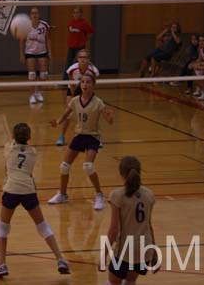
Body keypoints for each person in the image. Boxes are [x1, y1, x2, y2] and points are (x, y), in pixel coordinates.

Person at [0, 123, 70, 278]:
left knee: (2, 227)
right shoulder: (33, 153)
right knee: (42, 226)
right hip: (28, 190)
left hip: (12, 190)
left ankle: (2, 264)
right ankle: (60, 259)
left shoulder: (8, 149)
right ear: (29, 138)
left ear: (13, 136)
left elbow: (8, 156)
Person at [48, 74, 114, 210]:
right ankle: (63, 194)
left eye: (88, 82)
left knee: (88, 166)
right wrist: (58, 122)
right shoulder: (75, 100)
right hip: (79, 136)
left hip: (92, 137)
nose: (84, 84)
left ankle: (99, 195)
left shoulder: (98, 102)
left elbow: (109, 121)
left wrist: (110, 117)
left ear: (93, 85)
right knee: (64, 166)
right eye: (82, 82)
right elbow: (66, 113)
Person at [101, 156, 159, 285]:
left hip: (125, 250)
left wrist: (103, 255)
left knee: (112, 283)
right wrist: (154, 252)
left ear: (121, 173)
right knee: (130, 281)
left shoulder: (117, 195)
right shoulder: (149, 194)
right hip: (144, 249)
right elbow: (148, 226)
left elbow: (113, 231)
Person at [56, 49, 99, 146]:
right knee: (68, 113)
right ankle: (61, 136)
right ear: (77, 59)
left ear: (89, 59)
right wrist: (76, 98)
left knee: (92, 113)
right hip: (73, 91)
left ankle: (95, 137)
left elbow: (93, 85)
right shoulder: (72, 69)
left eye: (85, 57)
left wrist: (87, 96)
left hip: (87, 92)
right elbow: (71, 85)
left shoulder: (93, 71)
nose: (83, 60)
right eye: (80, 57)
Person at [19, 7, 51, 104]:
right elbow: (22, 41)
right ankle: (32, 95)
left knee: (43, 74)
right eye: (32, 13)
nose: (34, 15)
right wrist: (22, 54)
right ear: (30, 15)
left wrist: (50, 52)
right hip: (30, 52)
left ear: (39, 14)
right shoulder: (26, 26)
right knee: (32, 74)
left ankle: (38, 92)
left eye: (36, 13)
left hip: (42, 51)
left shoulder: (44, 25)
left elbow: (48, 39)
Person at [63, 6, 95, 80]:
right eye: (74, 12)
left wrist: (85, 39)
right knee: (68, 63)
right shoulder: (71, 22)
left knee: (80, 64)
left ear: (81, 14)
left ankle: (80, 79)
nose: (76, 14)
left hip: (80, 47)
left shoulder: (84, 23)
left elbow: (91, 32)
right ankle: (65, 81)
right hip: (71, 46)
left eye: (77, 12)